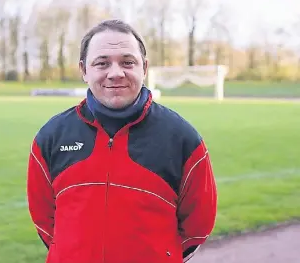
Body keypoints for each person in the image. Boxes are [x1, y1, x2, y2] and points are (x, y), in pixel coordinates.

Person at [27, 19, 217, 263]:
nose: (115, 73)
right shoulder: (51, 136)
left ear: (144, 67)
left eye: (127, 62)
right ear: (84, 70)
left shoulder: (182, 138)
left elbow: (197, 226)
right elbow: (44, 220)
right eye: (102, 63)